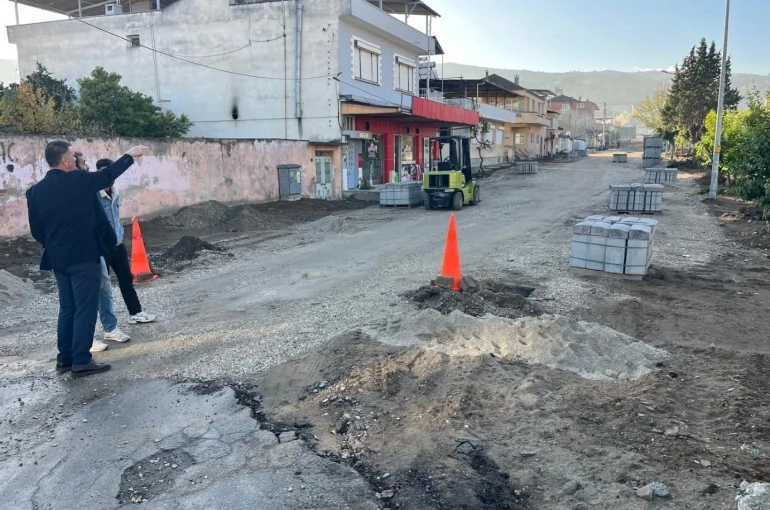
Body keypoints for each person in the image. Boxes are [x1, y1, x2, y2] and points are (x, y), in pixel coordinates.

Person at [26, 141, 147, 378]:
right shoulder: (79, 181)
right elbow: (109, 174)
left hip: (58, 259)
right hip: (83, 257)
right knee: (85, 308)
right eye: (72, 155)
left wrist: (54, 244)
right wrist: (130, 155)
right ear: (65, 160)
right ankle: (81, 360)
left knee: (68, 308)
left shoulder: (35, 191)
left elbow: (37, 230)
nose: (74, 158)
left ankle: (65, 359)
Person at [72, 152, 131, 353]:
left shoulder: (88, 186)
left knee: (104, 288)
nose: (87, 166)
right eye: (84, 163)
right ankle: (83, 340)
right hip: (78, 251)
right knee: (82, 297)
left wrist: (112, 241)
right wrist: (130, 155)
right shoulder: (76, 188)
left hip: (97, 247)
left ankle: (110, 328)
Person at [94, 158, 157, 326]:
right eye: (103, 172)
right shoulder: (95, 196)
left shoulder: (115, 193)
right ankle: (105, 324)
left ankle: (135, 312)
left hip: (117, 245)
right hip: (102, 248)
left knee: (126, 279)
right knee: (102, 288)